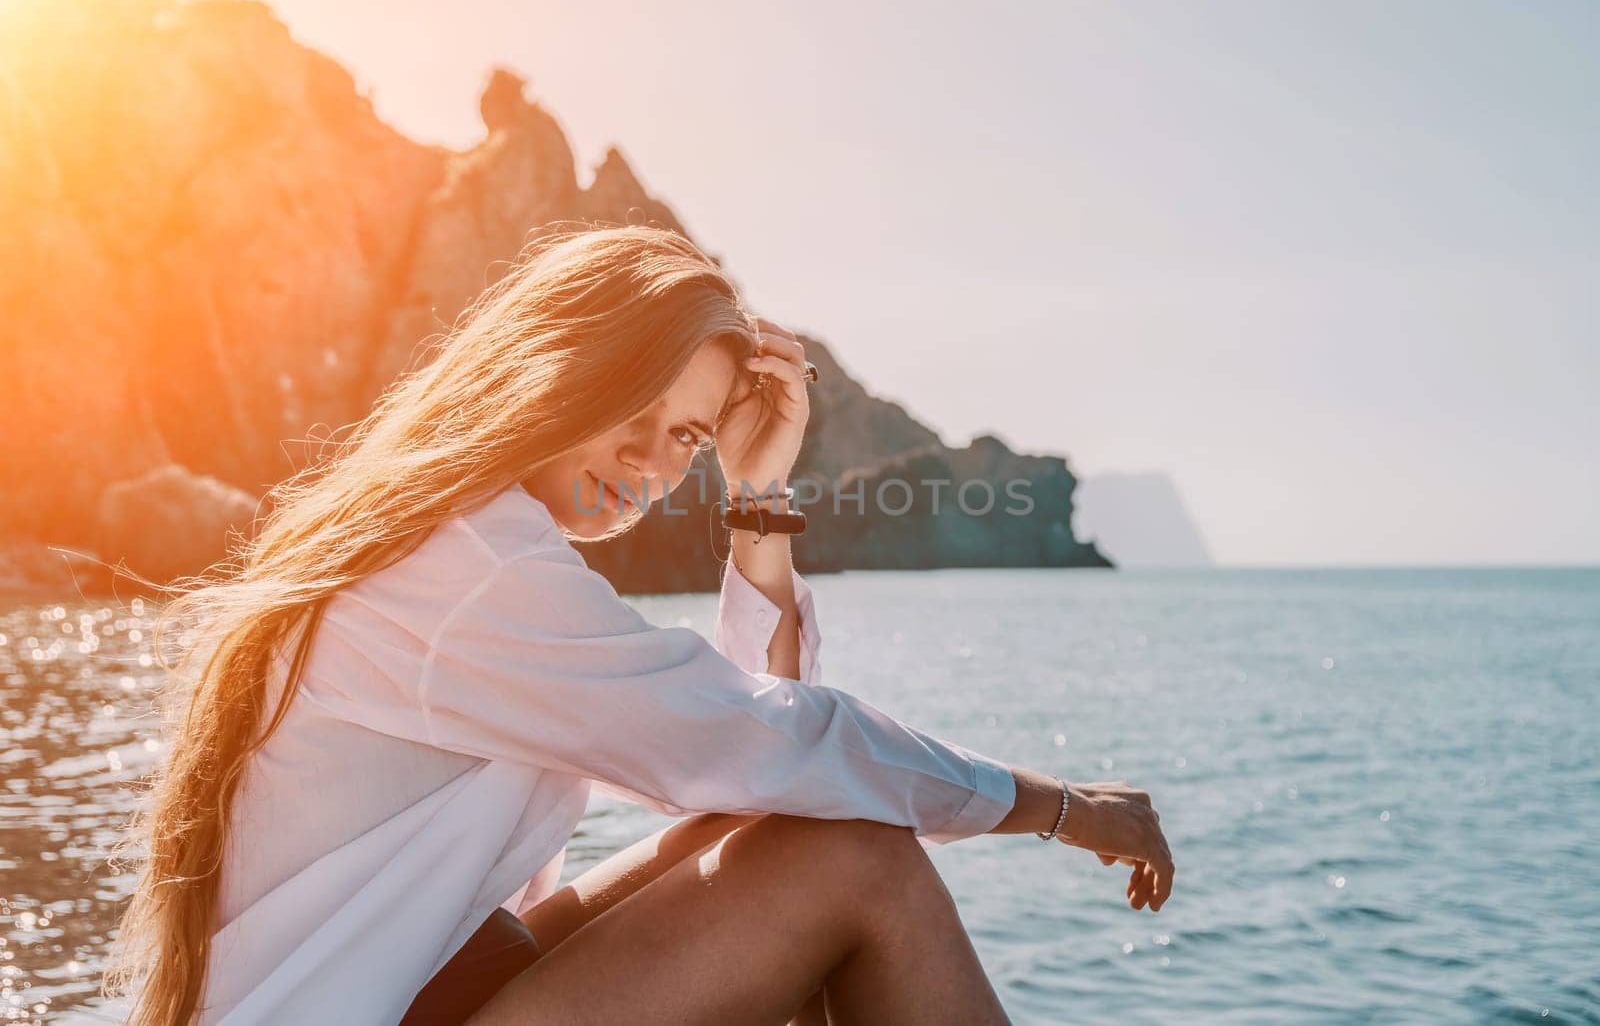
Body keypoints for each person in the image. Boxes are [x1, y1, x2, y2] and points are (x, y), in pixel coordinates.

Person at [109, 224, 1174, 1025]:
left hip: (419, 982)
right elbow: (764, 740)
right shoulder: (473, 569)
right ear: (555, 370)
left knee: (797, 825)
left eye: (688, 438)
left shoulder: (462, 541)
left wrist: (756, 495)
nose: (653, 467)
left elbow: (756, 754)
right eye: (635, 410)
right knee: (856, 863)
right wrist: (1059, 807)